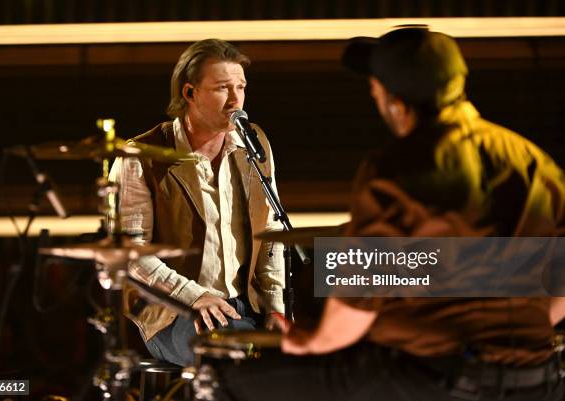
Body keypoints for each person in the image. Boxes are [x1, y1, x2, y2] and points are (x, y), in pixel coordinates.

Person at [215, 27, 565, 401]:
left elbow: (354, 308)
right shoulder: (531, 160)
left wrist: (309, 341)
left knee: (234, 382)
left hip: (431, 377)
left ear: (395, 101)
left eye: (376, 88)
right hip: (535, 378)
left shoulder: (397, 168)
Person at [109, 39, 284, 367]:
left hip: (245, 306)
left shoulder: (254, 145)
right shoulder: (140, 157)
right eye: (222, 88)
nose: (236, 99)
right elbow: (132, 255)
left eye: (241, 87)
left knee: (307, 358)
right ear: (189, 93)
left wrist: (275, 307)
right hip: (173, 312)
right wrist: (195, 296)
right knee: (229, 355)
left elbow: (271, 232)